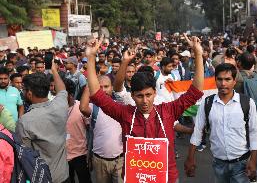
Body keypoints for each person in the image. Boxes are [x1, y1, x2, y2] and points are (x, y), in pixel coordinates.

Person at [86, 36, 204, 183]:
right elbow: (97, 95)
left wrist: (198, 54)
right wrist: (90, 57)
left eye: (148, 95)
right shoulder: (125, 114)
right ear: (132, 96)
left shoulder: (168, 110)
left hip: (167, 179)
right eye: (140, 96)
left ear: (155, 93)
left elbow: (196, 92)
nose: (145, 101)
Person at [185, 63, 257, 183]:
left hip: (242, 163)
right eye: (219, 79)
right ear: (215, 80)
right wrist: (190, 157)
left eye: (227, 79)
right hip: (218, 164)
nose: (223, 83)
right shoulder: (207, 103)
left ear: (234, 81)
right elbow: (198, 130)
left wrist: (253, 160)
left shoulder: (247, 102)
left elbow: (254, 132)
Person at [16, 61, 70, 183]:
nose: (23, 92)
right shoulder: (60, 105)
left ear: (29, 93)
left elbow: (25, 156)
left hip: (42, 178)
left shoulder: (24, 121)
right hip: (63, 175)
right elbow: (62, 90)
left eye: (24, 89)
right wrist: (54, 70)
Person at [80, 77, 124, 183]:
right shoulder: (93, 107)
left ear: (112, 88)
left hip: (120, 161)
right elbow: (83, 108)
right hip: (100, 161)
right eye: (100, 87)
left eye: (106, 87)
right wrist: (88, 86)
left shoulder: (121, 105)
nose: (103, 90)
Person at [64, 78, 92, 183]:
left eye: (62, 94)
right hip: (63, 155)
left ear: (70, 94)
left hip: (80, 155)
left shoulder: (81, 108)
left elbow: (90, 130)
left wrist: (90, 153)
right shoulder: (55, 109)